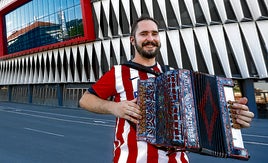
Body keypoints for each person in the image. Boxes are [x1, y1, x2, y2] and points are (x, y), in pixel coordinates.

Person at [79, 15, 254, 163]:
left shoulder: (177, 76)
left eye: (154, 33)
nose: (150, 38)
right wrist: (114, 107)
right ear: (133, 40)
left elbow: (201, 118)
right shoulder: (119, 72)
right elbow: (85, 100)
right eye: (144, 34)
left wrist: (232, 120)